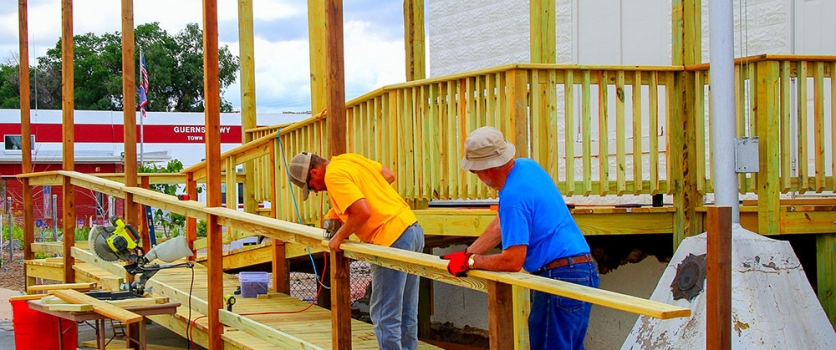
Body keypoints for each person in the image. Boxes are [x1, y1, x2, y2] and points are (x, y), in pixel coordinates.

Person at [441, 126, 599, 350]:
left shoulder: (513, 196)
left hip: (559, 278)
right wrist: (467, 253)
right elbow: (500, 225)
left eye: (474, 172)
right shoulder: (527, 168)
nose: (477, 177)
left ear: (486, 170)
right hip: (583, 271)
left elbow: (512, 261)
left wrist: (471, 262)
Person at [289, 151, 425, 350]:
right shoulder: (348, 159)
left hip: (390, 238)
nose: (316, 191)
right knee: (406, 310)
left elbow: (362, 212)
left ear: (316, 173)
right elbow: (388, 175)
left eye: (311, 187)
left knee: (384, 314)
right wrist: (348, 205)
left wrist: (338, 237)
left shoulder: (333, 176)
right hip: (412, 229)